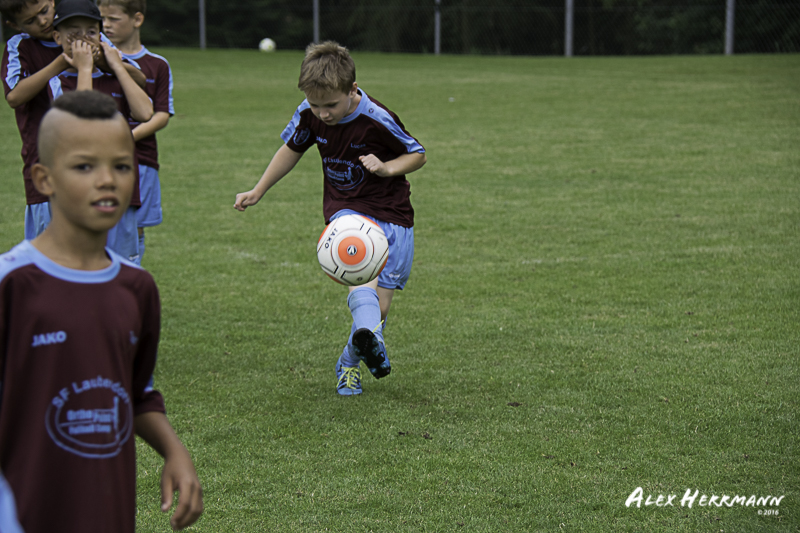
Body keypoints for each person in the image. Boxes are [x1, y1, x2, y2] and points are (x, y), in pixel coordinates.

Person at [0, 90, 203, 532]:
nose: (107, 180)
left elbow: (135, 391)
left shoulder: (136, 287)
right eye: (84, 167)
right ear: (43, 178)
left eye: (122, 166)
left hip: (108, 513)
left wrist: (174, 452)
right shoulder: (12, 283)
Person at [234, 41, 426, 396]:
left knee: (379, 310)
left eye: (330, 106)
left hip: (393, 213)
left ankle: (349, 360)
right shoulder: (308, 113)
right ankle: (358, 355)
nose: (322, 114)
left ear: (352, 90)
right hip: (347, 211)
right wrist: (259, 189)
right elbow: (291, 148)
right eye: (314, 105)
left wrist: (386, 167)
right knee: (361, 278)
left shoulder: (376, 118)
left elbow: (417, 154)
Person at [1, 0, 145, 240]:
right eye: (30, 21)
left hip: (103, 164)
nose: (43, 21)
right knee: (54, 253)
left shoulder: (90, 36)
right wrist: (62, 61)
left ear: (51, 2)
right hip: (48, 164)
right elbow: (14, 96)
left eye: (44, 11)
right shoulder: (20, 46)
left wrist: (101, 61)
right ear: (14, 25)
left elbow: (139, 79)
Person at [48, 0, 153, 264]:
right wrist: (85, 68)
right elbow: (81, 123)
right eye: (74, 33)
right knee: (81, 267)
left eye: (91, 32)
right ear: (57, 37)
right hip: (81, 195)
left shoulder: (113, 76)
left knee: (122, 266)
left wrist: (116, 66)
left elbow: (144, 112)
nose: (83, 39)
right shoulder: (57, 80)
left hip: (122, 191)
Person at [99, 0, 174, 262]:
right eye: (102, 19)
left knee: (135, 227)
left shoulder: (157, 64)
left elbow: (161, 114)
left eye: (113, 19)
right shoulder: (98, 61)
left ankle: (132, 272)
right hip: (103, 159)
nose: (106, 25)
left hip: (142, 160)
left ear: (137, 19)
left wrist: (126, 138)